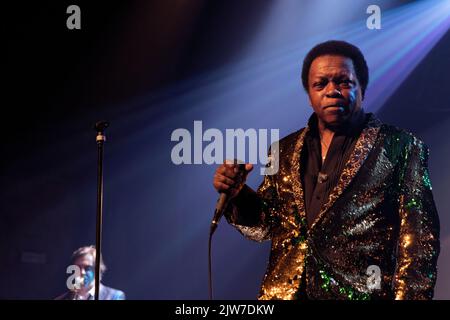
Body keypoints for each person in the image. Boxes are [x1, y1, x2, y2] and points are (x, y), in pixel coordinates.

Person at [213, 40, 440, 300]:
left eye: (343, 82)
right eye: (320, 84)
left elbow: (420, 244)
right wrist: (239, 193)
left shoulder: (400, 147)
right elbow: (267, 226)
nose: (331, 91)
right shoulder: (282, 150)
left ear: (362, 89)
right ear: (309, 96)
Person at [55, 245, 125, 300]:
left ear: (98, 270)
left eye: (87, 268)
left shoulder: (114, 296)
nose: (82, 272)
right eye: (78, 267)